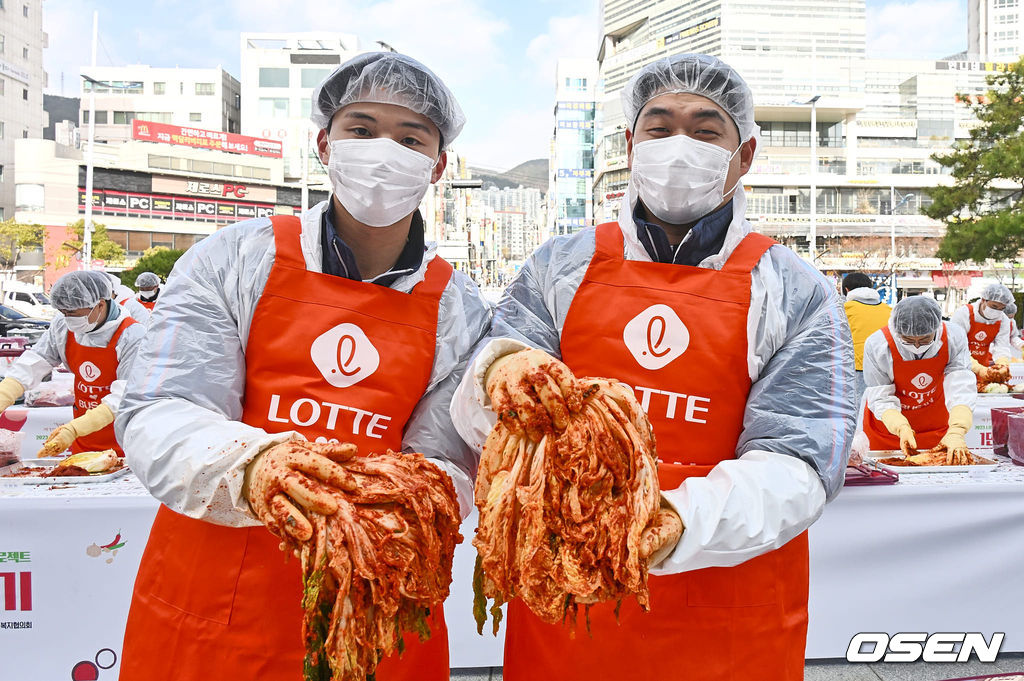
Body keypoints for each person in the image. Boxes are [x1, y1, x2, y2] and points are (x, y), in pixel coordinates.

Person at [451, 53, 856, 681]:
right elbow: (485, 411)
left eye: (705, 128)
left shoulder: (795, 290)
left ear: (743, 156)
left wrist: (670, 521)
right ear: (631, 144)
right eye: (659, 126)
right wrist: (501, 371)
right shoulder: (561, 265)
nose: (679, 145)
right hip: (568, 609)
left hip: (728, 614)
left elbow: (800, 464)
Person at [116, 52, 490, 681]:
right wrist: (261, 466)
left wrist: (373, 515)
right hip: (218, 596)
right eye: (362, 129)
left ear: (437, 165)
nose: (383, 153)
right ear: (325, 143)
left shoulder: (459, 306)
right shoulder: (235, 258)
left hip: (379, 601)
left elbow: (446, 463)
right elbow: (160, 409)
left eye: (410, 139)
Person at [0, 271, 144, 457]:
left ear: (99, 305)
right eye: (63, 312)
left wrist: (74, 429)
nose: (67, 318)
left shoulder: (132, 335)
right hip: (84, 440)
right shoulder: (63, 326)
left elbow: (123, 396)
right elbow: (33, 364)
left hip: (124, 442)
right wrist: (4, 394)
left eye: (73, 313)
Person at [861, 296, 975, 455]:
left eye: (924, 339)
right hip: (887, 428)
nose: (916, 346)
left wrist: (957, 428)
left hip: (935, 424)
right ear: (897, 331)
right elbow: (880, 395)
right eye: (907, 340)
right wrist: (899, 426)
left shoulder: (953, 337)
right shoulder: (878, 344)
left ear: (936, 328)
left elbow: (960, 384)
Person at [842, 272, 892, 402]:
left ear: (846, 290)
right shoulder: (888, 310)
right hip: (888, 366)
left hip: (858, 367)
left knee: (858, 408)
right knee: (883, 405)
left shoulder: (844, 309)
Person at [950, 283, 1014, 382]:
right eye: (994, 306)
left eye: (1002, 309)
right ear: (983, 299)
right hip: (957, 368)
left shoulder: (1003, 320)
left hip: (983, 369)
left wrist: (1002, 364)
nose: (997, 311)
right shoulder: (964, 314)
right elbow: (956, 349)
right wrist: (977, 368)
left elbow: (1002, 347)